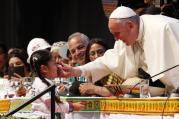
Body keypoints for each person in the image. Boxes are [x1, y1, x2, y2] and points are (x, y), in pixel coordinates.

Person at [60, 6, 179, 96]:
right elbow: (106, 62)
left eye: (117, 34)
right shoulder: (128, 36)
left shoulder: (163, 28)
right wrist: (77, 70)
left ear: (130, 25)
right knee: (131, 83)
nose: (116, 39)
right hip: (167, 91)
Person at [30, 49, 84, 119]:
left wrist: (57, 91)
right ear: (44, 69)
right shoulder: (42, 85)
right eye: (54, 64)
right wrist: (72, 106)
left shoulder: (39, 83)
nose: (58, 67)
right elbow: (53, 106)